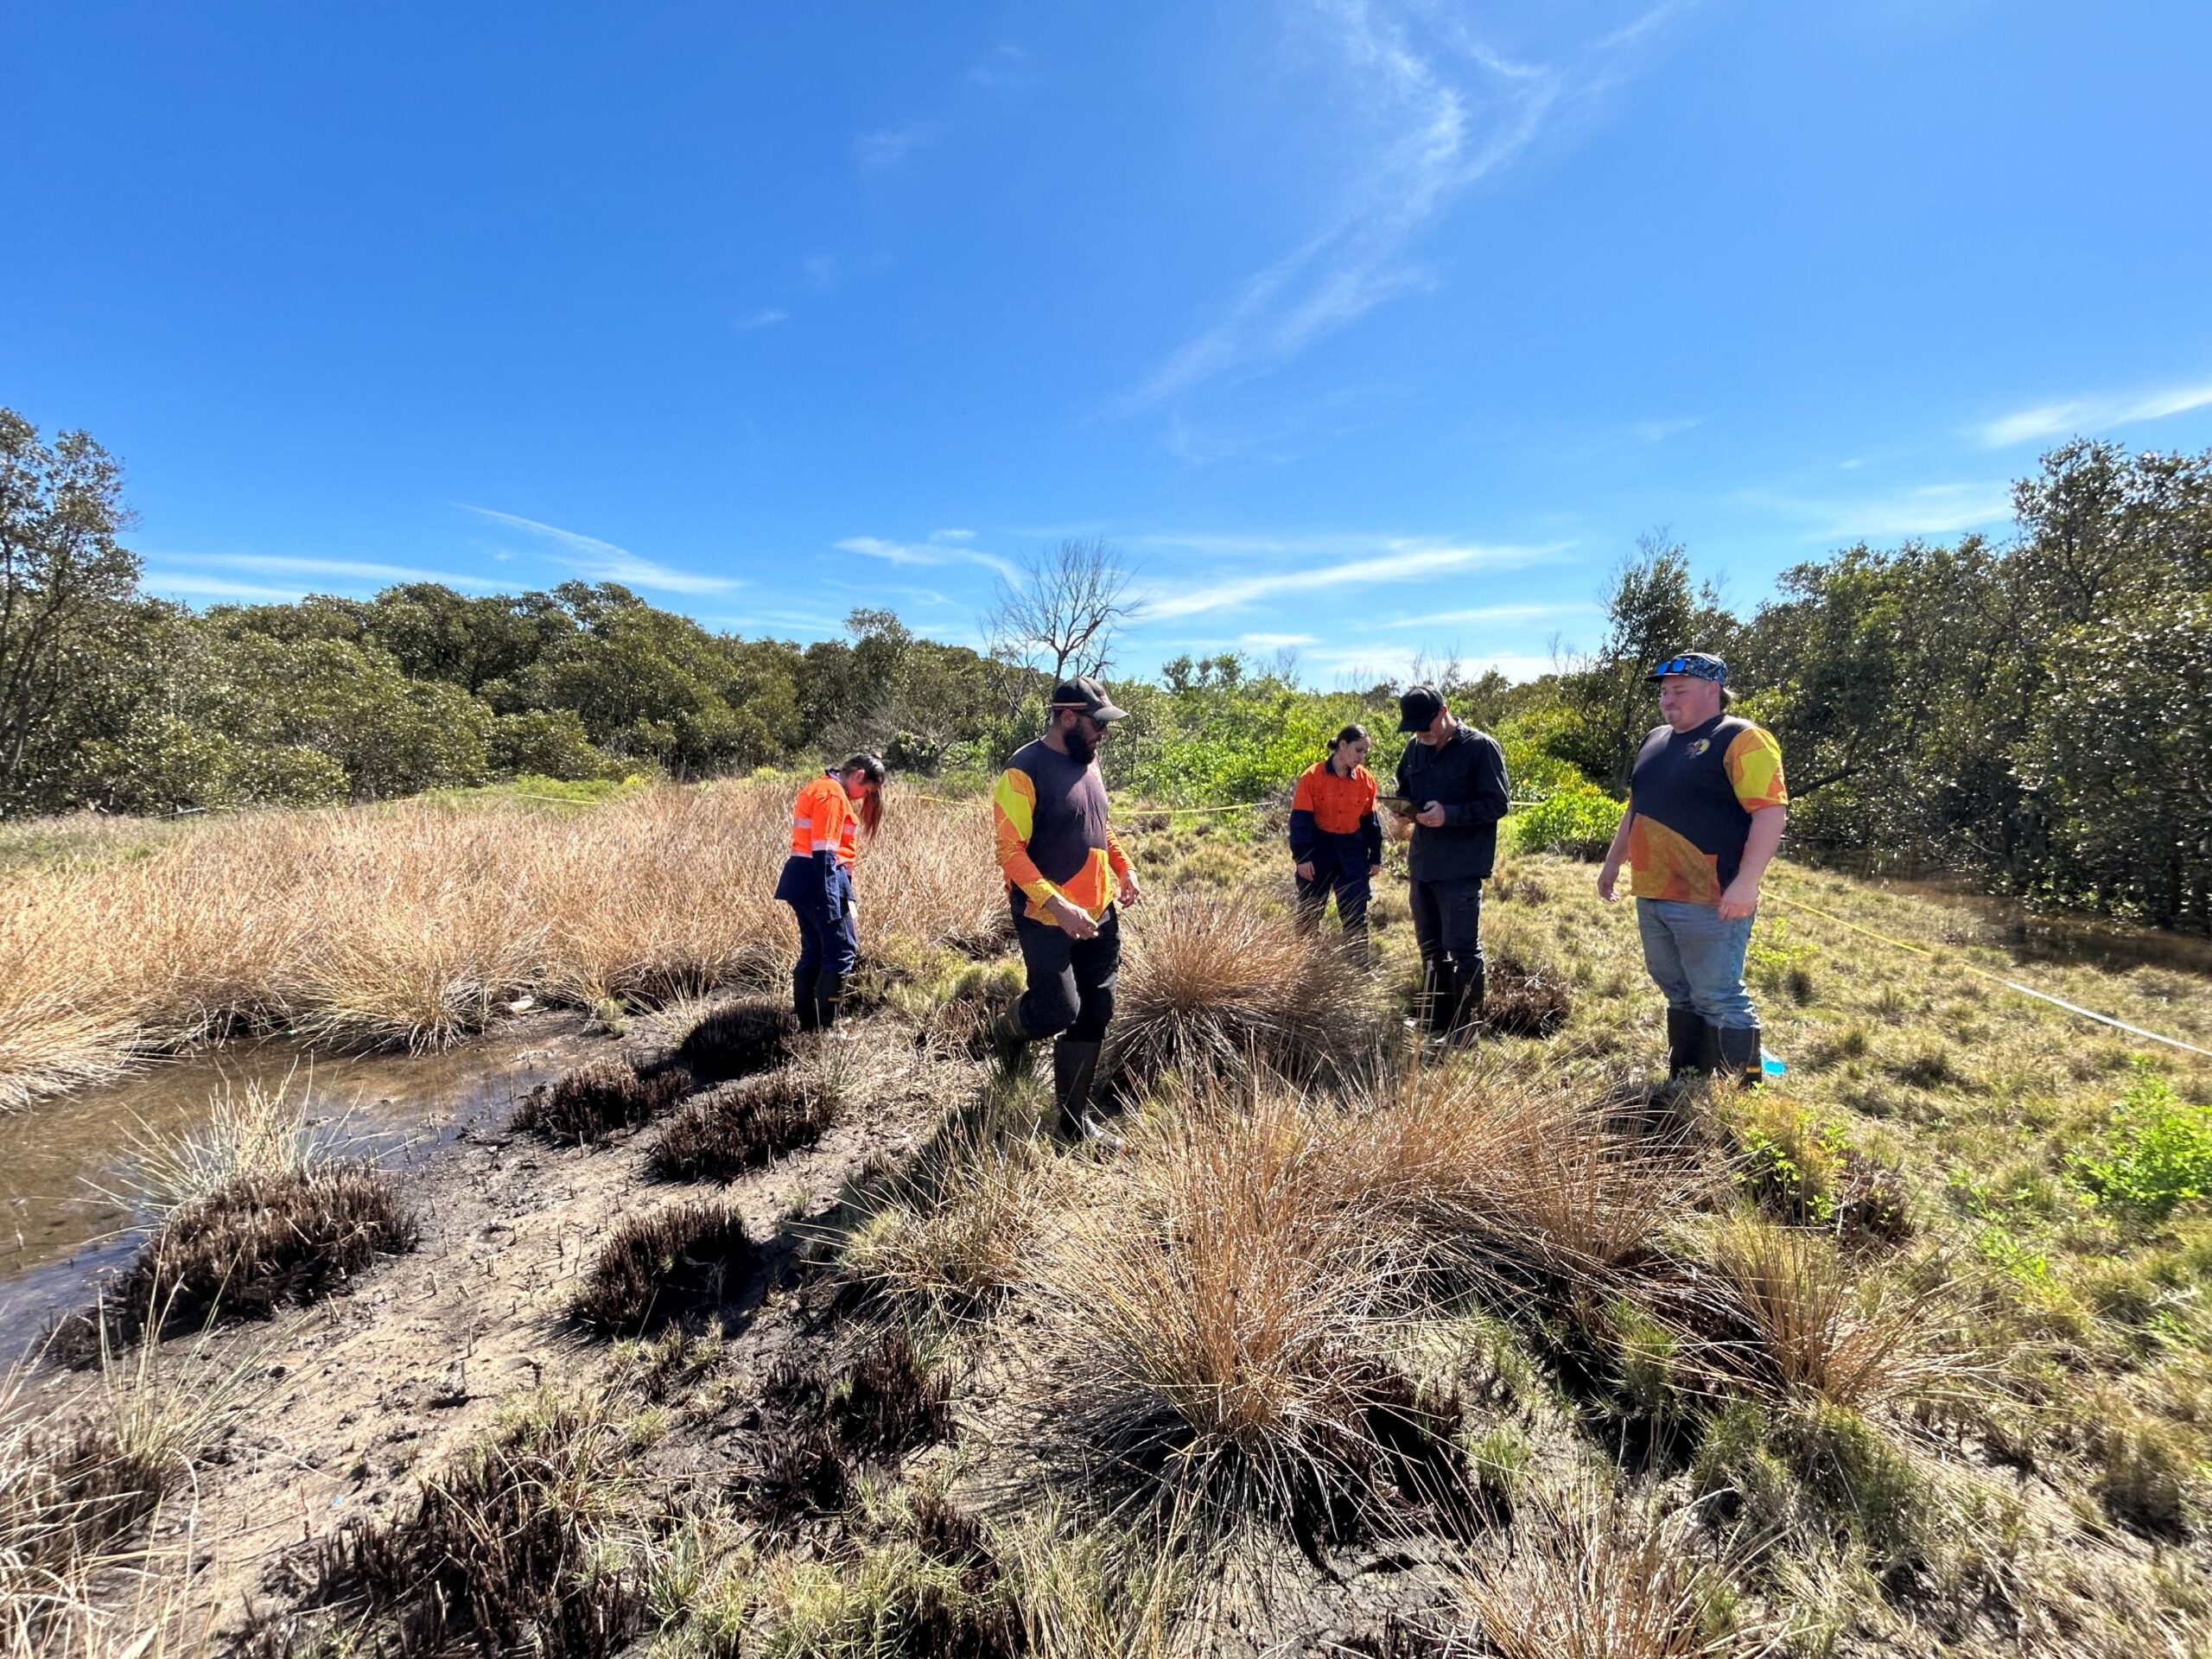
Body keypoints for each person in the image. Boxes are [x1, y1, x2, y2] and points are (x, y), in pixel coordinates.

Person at [1596, 652, 1788, 1084]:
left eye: (1678, 691)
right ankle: (1688, 1077)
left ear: (1712, 690)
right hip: (1653, 891)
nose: (1667, 700)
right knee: (1678, 991)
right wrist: (1613, 863)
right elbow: (1636, 808)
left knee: (1718, 994)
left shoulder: (1742, 738)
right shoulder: (1655, 739)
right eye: (1664, 692)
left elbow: (1770, 812)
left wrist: (1747, 883)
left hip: (1711, 895)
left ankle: (1743, 1090)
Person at [988, 677, 1142, 1140]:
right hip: (1045, 914)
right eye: (1098, 724)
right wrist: (1059, 907)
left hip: (1099, 909)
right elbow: (1010, 852)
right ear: (1068, 717)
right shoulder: (1023, 770)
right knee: (1059, 1009)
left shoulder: (1090, 762)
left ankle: (1075, 1122)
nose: (1104, 733)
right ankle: (1008, 1030)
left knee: (1096, 1009)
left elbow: (1099, 825)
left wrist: (1124, 868)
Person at [1393, 684, 1510, 1040]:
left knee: (1462, 950)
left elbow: (1498, 804)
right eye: (1414, 728)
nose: (1421, 734)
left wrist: (1450, 815)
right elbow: (1403, 787)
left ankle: (1466, 1030)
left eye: (1425, 726)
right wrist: (1403, 809)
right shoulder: (1414, 748)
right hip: (1423, 865)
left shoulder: (1481, 747)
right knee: (1431, 949)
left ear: (1444, 712)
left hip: (1461, 868)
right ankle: (1435, 1020)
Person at [772, 754, 886, 1033]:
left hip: (806, 879)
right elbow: (824, 850)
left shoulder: (822, 788)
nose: (863, 797)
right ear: (858, 775)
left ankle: (809, 1026)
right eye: (867, 790)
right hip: (820, 879)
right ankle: (826, 1026)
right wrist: (831, 900)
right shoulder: (832, 794)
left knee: (815, 951)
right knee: (842, 950)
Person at [1290, 725, 1384, 962]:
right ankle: (1304, 964)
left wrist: (1375, 857)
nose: (1362, 757)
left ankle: (1357, 968)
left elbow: (1371, 822)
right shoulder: (1312, 777)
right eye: (1358, 750)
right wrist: (1302, 857)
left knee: (1355, 912)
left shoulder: (1366, 780)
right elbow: (1300, 820)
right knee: (1310, 910)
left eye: (1365, 752)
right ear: (1342, 745)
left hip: (1352, 850)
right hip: (1319, 849)